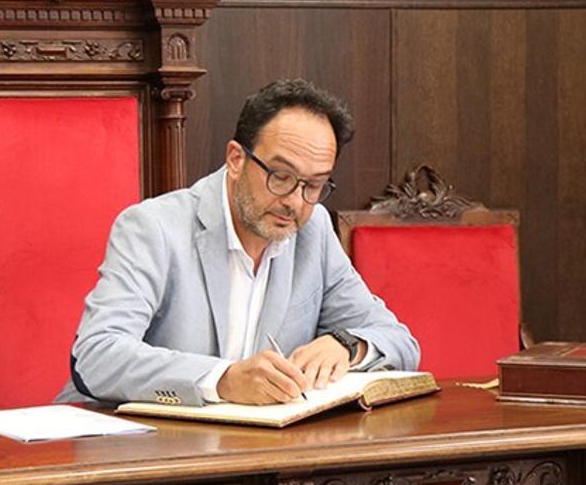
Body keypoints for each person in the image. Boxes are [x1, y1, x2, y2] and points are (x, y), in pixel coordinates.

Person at [57, 79, 418, 406]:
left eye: (314, 186)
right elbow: (97, 356)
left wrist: (347, 345)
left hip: (254, 453)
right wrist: (223, 380)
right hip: (133, 449)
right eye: (281, 176)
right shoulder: (154, 228)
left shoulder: (313, 229)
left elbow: (399, 341)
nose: (295, 201)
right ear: (236, 159)